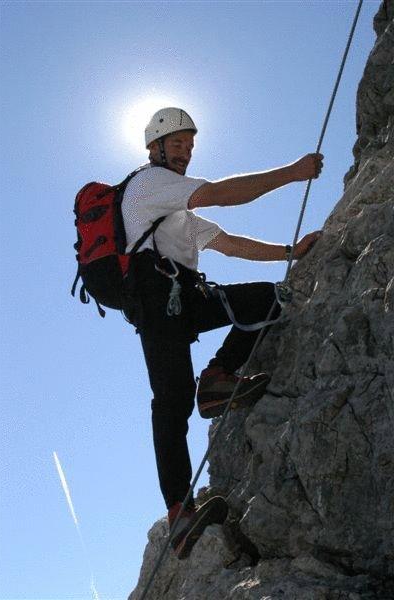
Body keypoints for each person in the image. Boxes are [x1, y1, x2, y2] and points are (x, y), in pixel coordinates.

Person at [121, 107, 323, 558]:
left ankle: (216, 380)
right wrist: (292, 172)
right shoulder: (149, 185)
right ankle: (180, 514)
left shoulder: (175, 210)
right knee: (171, 404)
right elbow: (223, 194)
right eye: (177, 144)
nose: (185, 153)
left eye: (190, 146)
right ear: (155, 148)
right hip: (159, 308)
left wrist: (289, 252)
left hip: (183, 300)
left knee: (269, 297)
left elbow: (230, 243)